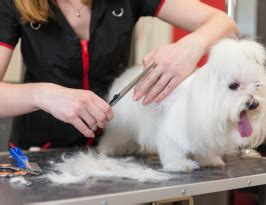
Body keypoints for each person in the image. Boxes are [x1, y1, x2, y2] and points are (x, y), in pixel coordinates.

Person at [0, 0, 239, 149]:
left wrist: (190, 48)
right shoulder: (11, 4)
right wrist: (43, 95)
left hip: (116, 148)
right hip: (39, 152)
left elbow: (225, 25)